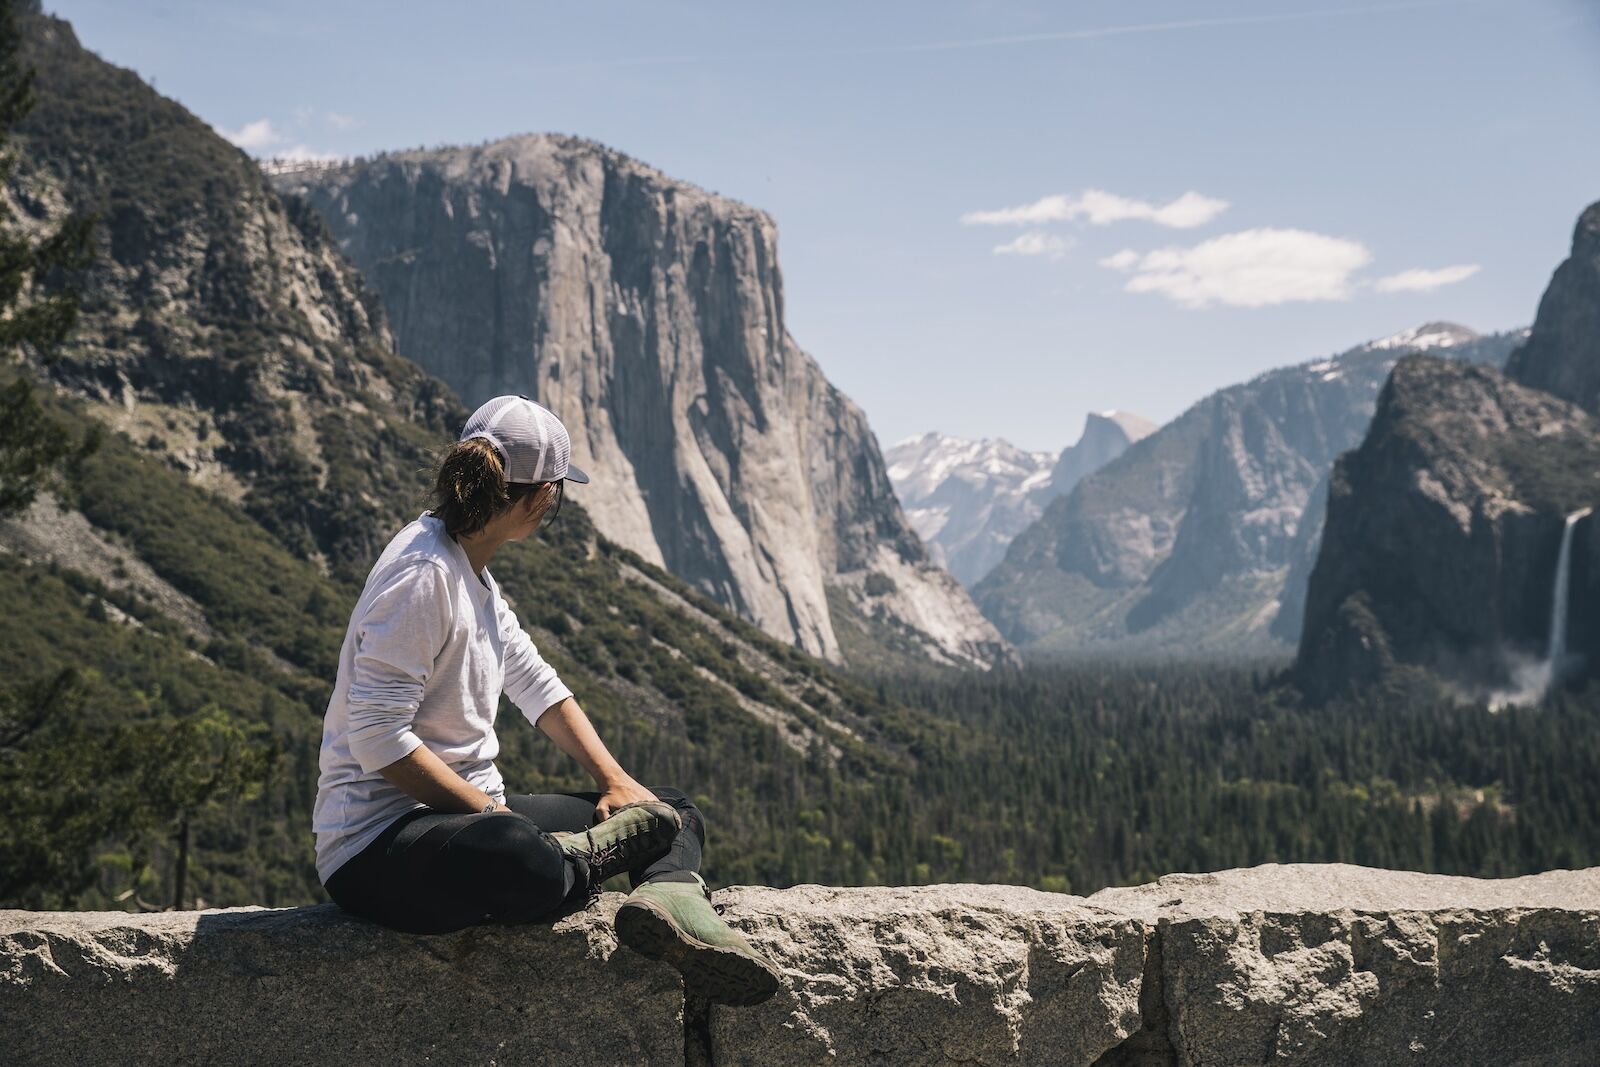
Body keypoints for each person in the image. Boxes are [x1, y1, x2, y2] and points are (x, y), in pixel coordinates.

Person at [313, 394, 781, 1006]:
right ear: (540, 498)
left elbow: (536, 683)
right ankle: (578, 862)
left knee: (667, 806)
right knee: (517, 854)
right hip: (376, 847)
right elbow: (378, 739)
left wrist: (615, 782)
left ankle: (670, 904)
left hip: (464, 817)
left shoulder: (470, 570)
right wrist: (491, 815)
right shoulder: (423, 574)